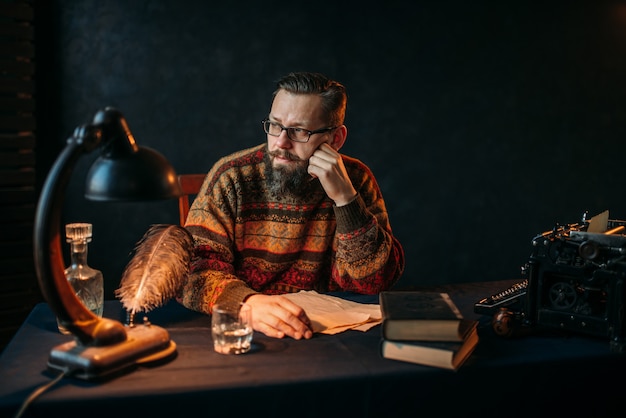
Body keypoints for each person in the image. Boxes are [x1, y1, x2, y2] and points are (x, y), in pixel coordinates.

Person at [177, 71, 405, 340]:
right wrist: (246, 302)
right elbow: (193, 272)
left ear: (335, 139)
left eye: (299, 131)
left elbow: (375, 282)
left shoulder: (355, 180)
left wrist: (346, 200)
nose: (281, 143)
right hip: (248, 328)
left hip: (329, 337)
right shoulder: (232, 178)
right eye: (275, 125)